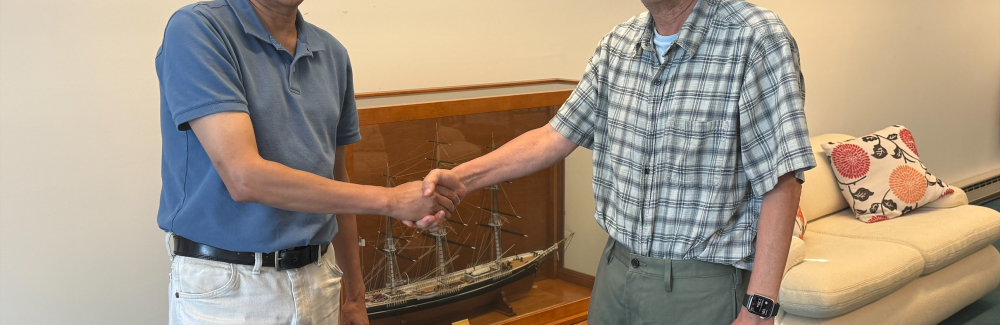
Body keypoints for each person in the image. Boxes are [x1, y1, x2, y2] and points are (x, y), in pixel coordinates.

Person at [422, 0, 815, 324]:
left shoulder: (755, 37)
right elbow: (554, 136)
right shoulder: (618, 43)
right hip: (614, 273)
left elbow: (782, 178)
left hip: (702, 288)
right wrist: (459, 179)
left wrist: (759, 310)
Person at [155, 0, 454, 324]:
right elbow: (244, 177)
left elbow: (338, 182)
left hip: (319, 278)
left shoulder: (332, 53)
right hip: (229, 289)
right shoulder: (199, 28)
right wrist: (392, 200)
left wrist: (355, 297)